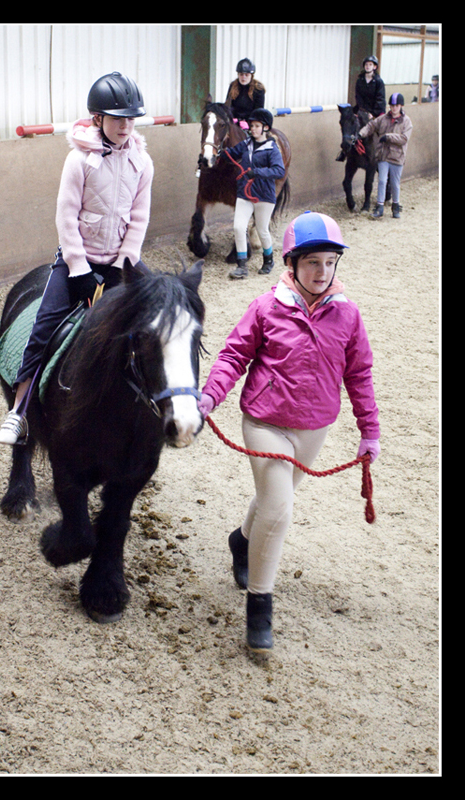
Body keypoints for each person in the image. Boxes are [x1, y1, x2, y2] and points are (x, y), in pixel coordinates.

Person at [197, 211, 380, 652]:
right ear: (293, 264)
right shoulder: (264, 307)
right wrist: (208, 398)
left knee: (270, 499)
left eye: (330, 263)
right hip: (264, 422)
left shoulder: (348, 316)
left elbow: (360, 375)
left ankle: (241, 542)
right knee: (279, 511)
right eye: (313, 262)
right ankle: (260, 608)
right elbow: (232, 357)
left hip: (314, 428)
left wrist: (369, 431)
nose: (322, 272)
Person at [0, 72, 154, 444]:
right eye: (118, 118)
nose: (125, 126)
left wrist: (123, 267)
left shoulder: (143, 163)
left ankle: (155, 405)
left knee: (159, 318)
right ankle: (18, 410)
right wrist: (79, 269)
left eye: (131, 118)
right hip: (76, 261)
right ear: (98, 118)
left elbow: (140, 219)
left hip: (121, 263)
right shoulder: (79, 159)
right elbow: (65, 217)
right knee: (44, 325)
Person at [219, 108, 285, 279]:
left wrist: (257, 172)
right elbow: (231, 154)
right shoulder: (246, 144)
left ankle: (268, 260)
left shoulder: (272, 148)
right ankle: (241, 266)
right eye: (251, 126)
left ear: (265, 128)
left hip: (264, 196)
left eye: (256, 126)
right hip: (244, 193)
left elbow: (279, 171)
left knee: (262, 230)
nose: (252, 129)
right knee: (238, 227)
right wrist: (217, 154)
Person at [359, 92, 413, 219]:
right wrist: (361, 134)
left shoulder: (406, 121)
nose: (394, 108)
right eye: (392, 105)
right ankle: (380, 206)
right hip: (383, 156)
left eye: (396, 105)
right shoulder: (383, 119)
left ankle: (395, 206)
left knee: (395, 183)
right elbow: (371, 125)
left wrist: (388, 137)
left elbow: (404, 138)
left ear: (401, 106)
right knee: (382, 180)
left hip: (397, 157)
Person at [336, 55, 385, 162]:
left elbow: (380, 99)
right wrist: (362, 110)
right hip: (362, 108)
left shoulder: (379, 81)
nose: (368, 67)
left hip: (376, 110)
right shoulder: (360, 80)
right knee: (349, 123)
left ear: (374, 67)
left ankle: (382, 154)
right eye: (366, 65)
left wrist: (372, 113)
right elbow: (358, 96)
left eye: (370, 65)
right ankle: (345, 151)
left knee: (383, 128)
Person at [225, 58, 266, 128]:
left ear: (251, 75)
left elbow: (258, 110)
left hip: (251, 121)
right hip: (234, 120)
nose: (243, 77)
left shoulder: (258, 88)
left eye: (246, 75)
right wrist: (232, 118)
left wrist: (248, 122)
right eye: (241, 74)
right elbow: (228, 105)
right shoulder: (233, 86)